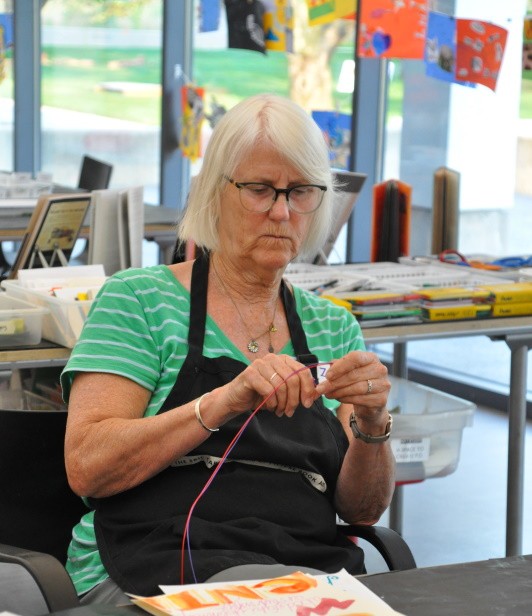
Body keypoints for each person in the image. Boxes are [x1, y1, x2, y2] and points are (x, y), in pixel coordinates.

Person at [62, 93, 395, 604]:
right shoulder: (139, 301)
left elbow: (362, 511)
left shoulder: (334, 327)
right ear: (215, 194)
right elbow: (89, 466)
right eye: (260, 189)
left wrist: (373, 427)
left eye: (301, 191)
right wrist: (223, 400)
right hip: (154, 560)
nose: (282, 211)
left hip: (300, 574)